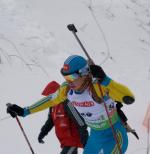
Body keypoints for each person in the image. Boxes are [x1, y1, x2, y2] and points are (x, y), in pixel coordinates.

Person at [7, 55, 135, 154]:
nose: (69, 82)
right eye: (65, 78)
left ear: (84, 74)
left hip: (114, 136)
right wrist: (24, 111)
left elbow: (129, 98)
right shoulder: (67, 90)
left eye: (71, 78)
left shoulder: (98, 86)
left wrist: (106, 80)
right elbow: (50, 100)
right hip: (95, 137)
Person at [38, 81, 88, 154]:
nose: (49, 99)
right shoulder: (52, 106)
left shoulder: (68, 103)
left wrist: (85, 140)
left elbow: (80, 121)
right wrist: (42, 133)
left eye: (50, 96)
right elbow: (50, 121)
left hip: (72, 141)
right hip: (65, 142)